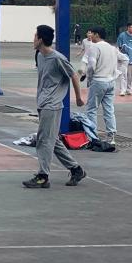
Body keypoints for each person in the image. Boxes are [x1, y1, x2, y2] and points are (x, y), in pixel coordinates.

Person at [21, 25, 87, 189]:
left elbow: (73, 75)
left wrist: (78, 98)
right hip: (43, 103)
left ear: (41, 39)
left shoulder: (57, 58)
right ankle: (76, 169)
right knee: (51, 139)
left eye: (35, 36)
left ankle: (43, 176)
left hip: (52, 105)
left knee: (43, 140)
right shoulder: (40, 56)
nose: (33, 39)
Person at [79, 26, 118, 151]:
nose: (90, 36)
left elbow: (91, 66)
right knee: (109, 109)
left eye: (92, 34)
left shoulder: (94, 47)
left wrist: (89, 78)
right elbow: (123, 59)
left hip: (98, 81)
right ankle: (111, 137)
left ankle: (93, 137)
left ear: (97, 35)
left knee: (91, 109)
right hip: (111, 81)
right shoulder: (112, 48)